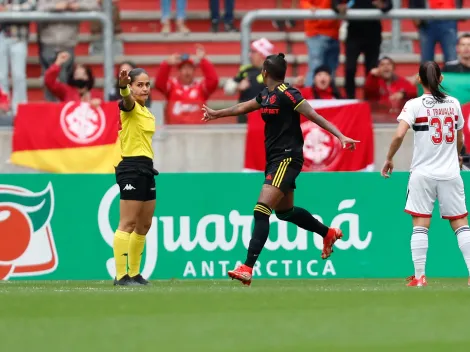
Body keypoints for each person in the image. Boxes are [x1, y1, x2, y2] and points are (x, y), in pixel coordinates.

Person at [202, 53, 359, 286]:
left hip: (287, 158)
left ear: (264, 72)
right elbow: (245, 106)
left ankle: (247, 267)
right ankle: (327, 233)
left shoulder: (289, 94)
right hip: (274, 159)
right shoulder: (266, 94)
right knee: (285, 212)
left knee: (261, 209)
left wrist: (340, 135)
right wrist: (218, 114)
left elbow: (313, 115)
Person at [381, 61, 470, 287]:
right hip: (450, 172)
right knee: (460, 223)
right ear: (441, 79)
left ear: (419, 80)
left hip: (423, 174)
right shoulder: (454, 103)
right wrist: (459, 155)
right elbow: (460, 137)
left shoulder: (414, 105)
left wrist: (389, 158)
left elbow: (399, 135)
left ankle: (420, 276)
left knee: (420, 224)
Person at [112, 68, 158, 286]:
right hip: (131, 167)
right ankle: (121, 276)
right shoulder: (128, 108)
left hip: (147, 168)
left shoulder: (148, 113)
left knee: (144, 224)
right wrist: (122, 87)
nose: (145, 88)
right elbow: (126, 101)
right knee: (127, 222)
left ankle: (135, 273)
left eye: (147, 84)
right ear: (131, 87)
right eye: (140, 84)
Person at [333, 0, 393, 99]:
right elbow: (335, 4)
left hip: (373, 34)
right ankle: (350, 99)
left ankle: (370, 101)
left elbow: (389, 5)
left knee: (371, 71)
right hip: (354, 34)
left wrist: (383, 6)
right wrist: (338, 7)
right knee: (350, 68)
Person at [155, 44, 218, 124]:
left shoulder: (201, 87)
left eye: (190, 68)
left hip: (198, 132)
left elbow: (213, 81)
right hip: (174, 132)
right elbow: (159, 84)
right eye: (184, 68)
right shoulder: (171, 85)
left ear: (194, 70)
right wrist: (166, 64)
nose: (187, 71)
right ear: (179, 71)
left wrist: (203, 60)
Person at [224, 38, 274, 123]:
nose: (250, 55)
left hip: (263, 120)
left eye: (254, 52)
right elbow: (227, 89)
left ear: (262, 54)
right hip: (243, 118)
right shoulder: (246, 70)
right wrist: (237, 87)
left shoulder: (272, 73)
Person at [0, 0, 35, 115]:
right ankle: (3, 110)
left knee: (19, 75)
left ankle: (19, 111)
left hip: (19, 37)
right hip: (1, 35)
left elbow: (31, 5)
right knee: (1, 75)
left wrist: (7, 10)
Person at [301, 0, 340, 87]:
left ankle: (329, 97)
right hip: (316, 32)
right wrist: (311, 8)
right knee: (315, 69)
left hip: (333, 33)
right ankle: (310, 98)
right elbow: (305, 3)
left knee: (330, 72)